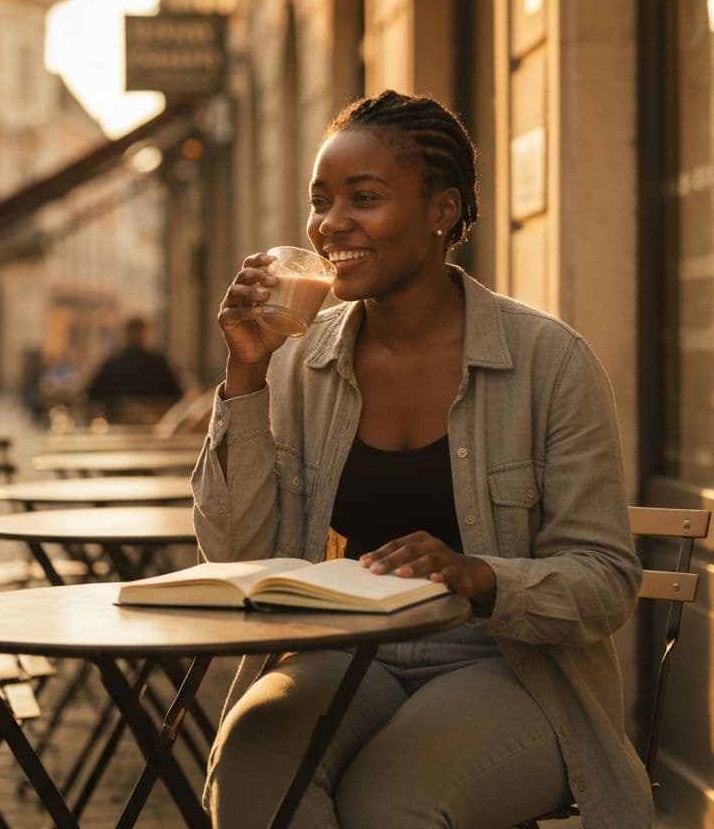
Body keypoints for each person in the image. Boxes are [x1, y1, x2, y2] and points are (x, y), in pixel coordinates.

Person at [193, 90, 653, 828]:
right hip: (340, 653)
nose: (331, 224)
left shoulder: (549, 362)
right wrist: (244, 375)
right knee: (253, 784)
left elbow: (604, 583)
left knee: (390, 805)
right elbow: (239, 556)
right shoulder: (298, 360)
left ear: (443, 212)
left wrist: (479, 576)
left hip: (505, 665)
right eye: (321, 201)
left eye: (364, 198)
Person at [85, 317, 181, 418]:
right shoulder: (158, 363)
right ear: (144, 334)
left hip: (121, 425)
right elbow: (176, 395)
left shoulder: (113, 363)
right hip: (150, 425)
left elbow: (92, 394)